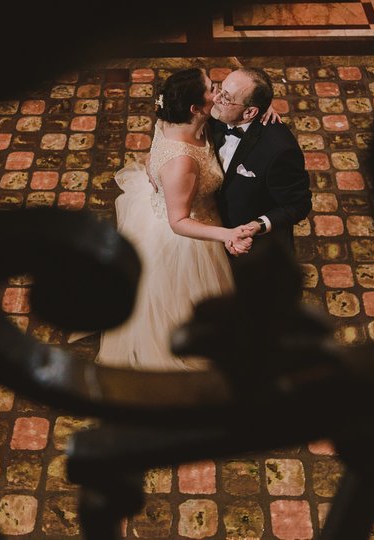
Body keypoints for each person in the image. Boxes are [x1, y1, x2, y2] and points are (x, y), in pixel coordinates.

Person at [96, 68, 258, 370]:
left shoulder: (172, 118)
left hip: (169, 197)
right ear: (196, 108)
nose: (219, 91)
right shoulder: (182, 161)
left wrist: (259, 107)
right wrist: (226, 234)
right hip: (187, 233)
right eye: (212, 88)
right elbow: (179, 221)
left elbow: (154, 156)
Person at [209, 67, 312, 257]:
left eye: (226, 97)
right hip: (208, 225)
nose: (216, 99)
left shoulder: (280, 150)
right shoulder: (216, 112)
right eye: (219, 90)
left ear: (250, 113)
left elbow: (299, 204)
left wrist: (258, 225)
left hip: (250, 244)